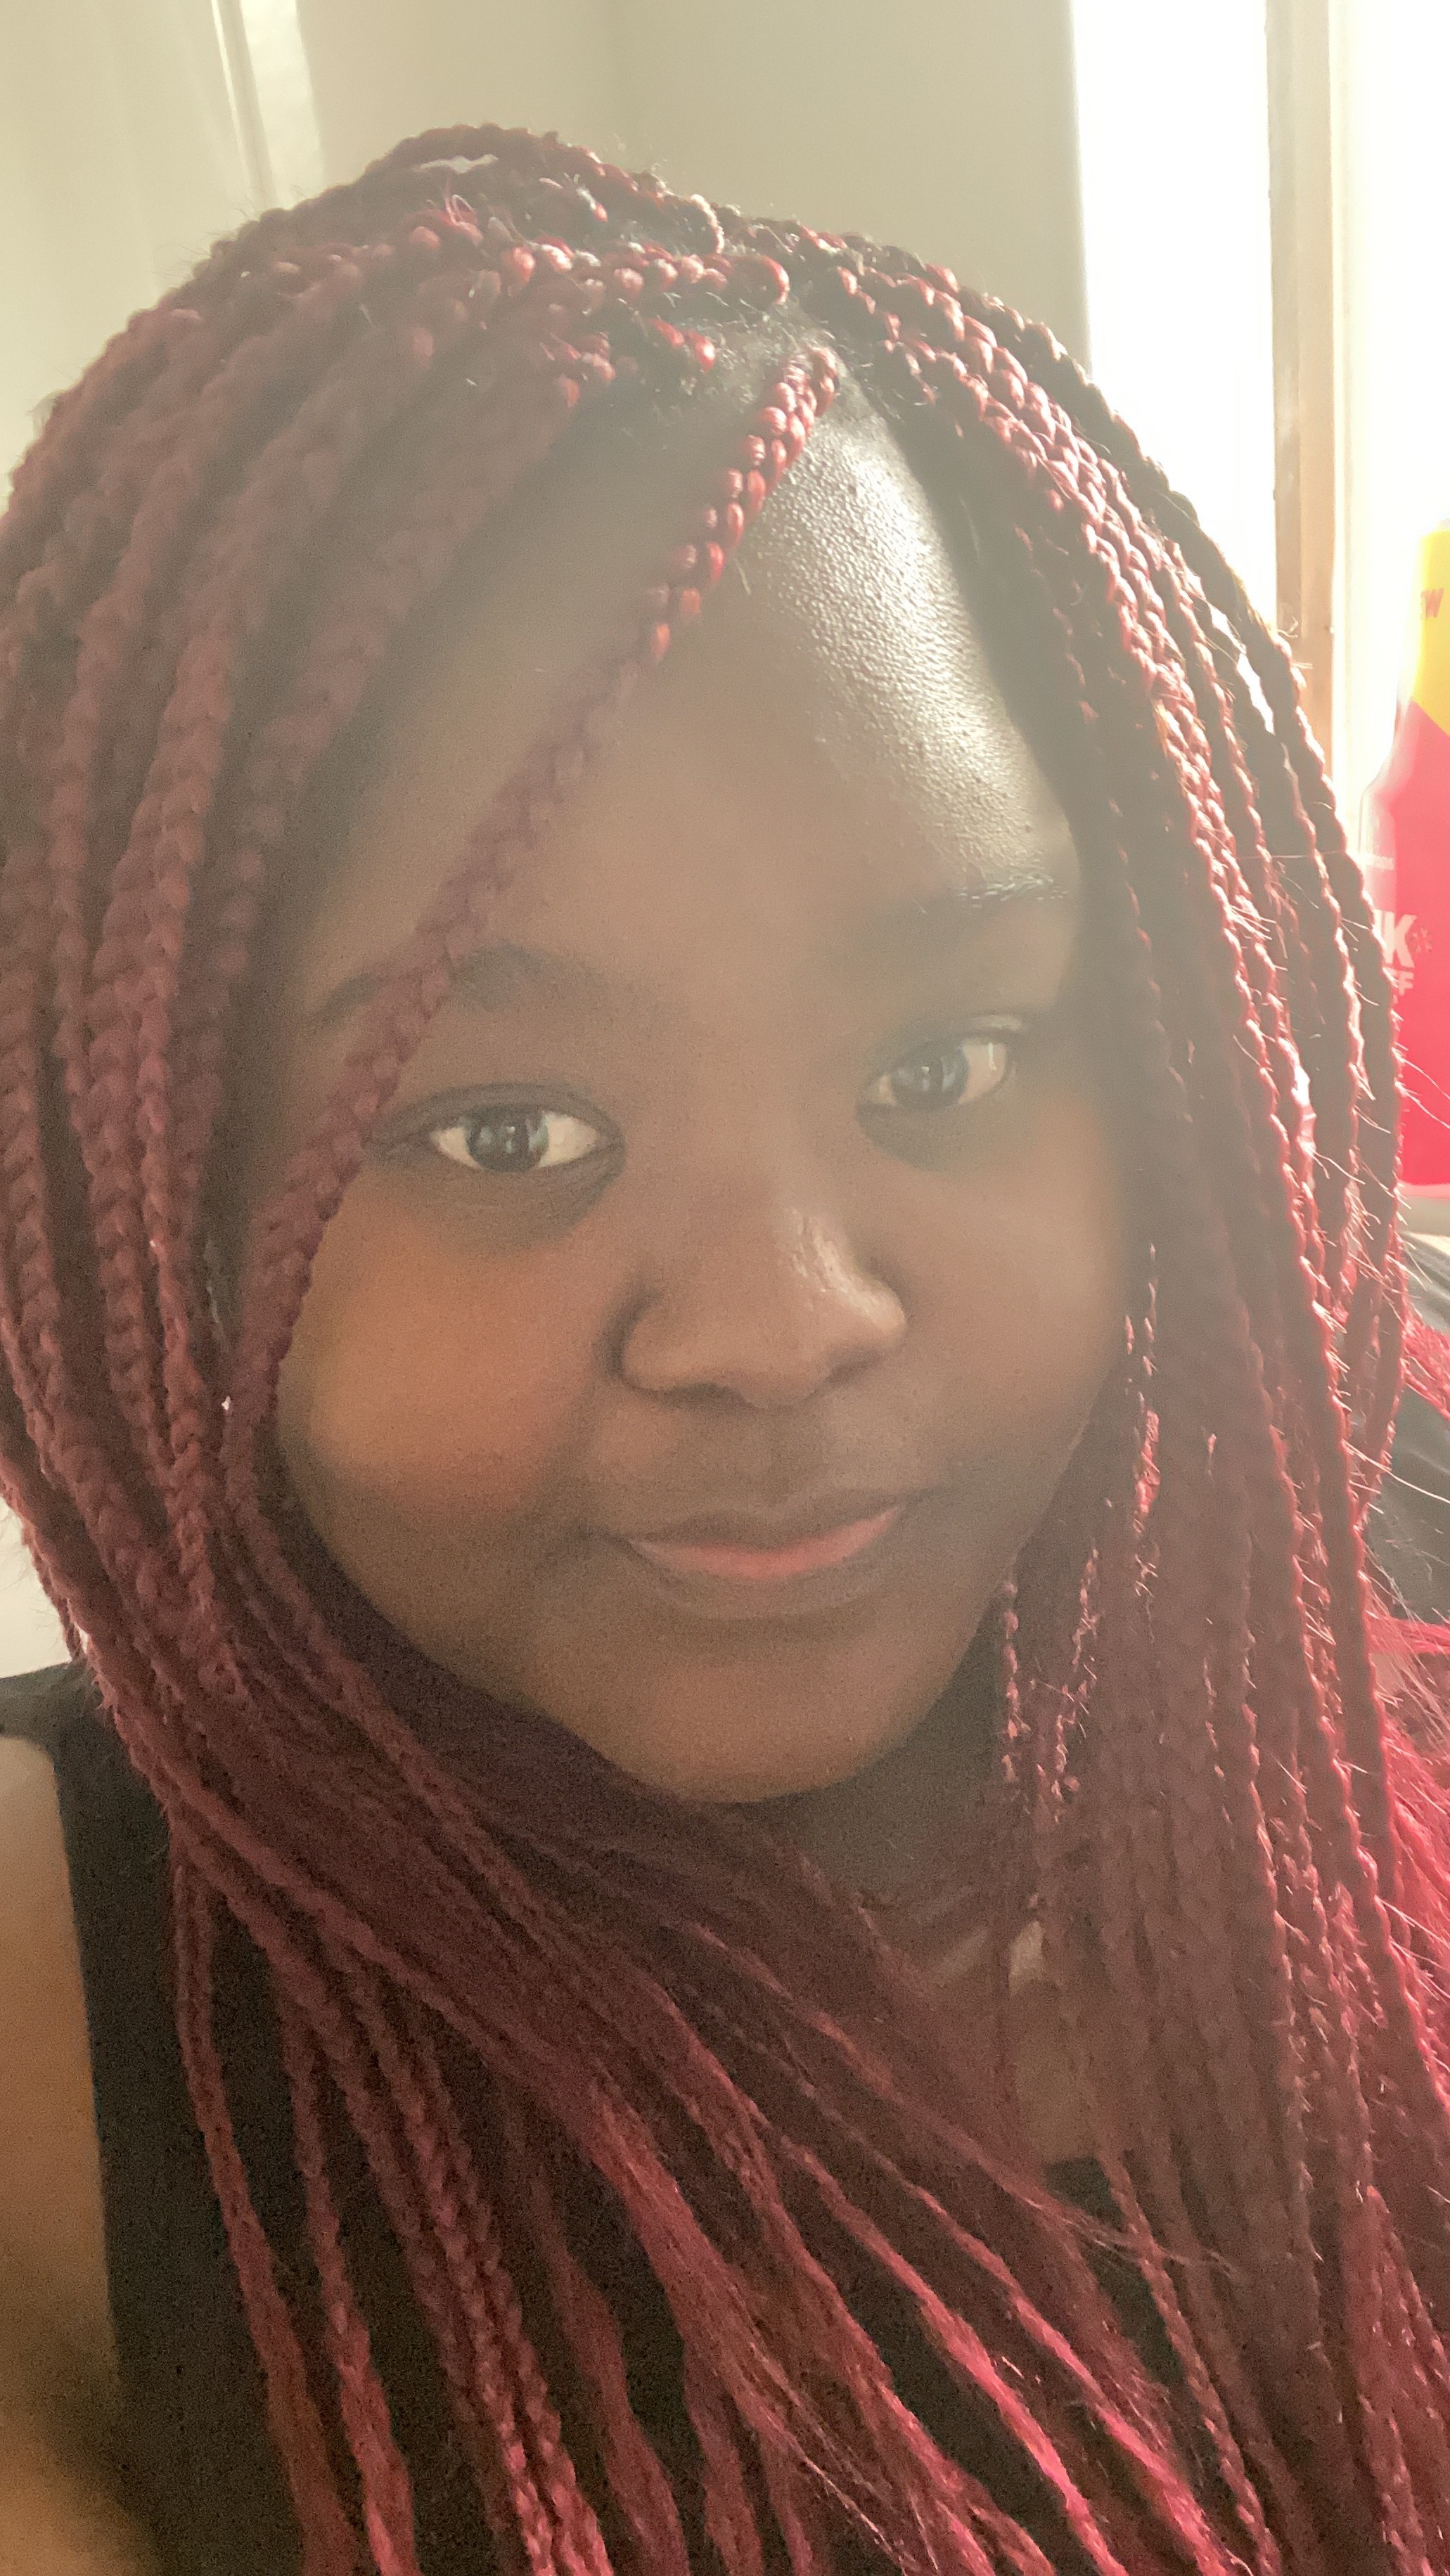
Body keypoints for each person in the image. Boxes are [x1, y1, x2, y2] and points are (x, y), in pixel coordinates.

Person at [1, 121, 1450, 2576]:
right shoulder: (54, 2031)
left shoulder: (1380, 1546)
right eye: (505, 1130)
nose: (784, 1328)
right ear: (139, 1204)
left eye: (944, 1067)